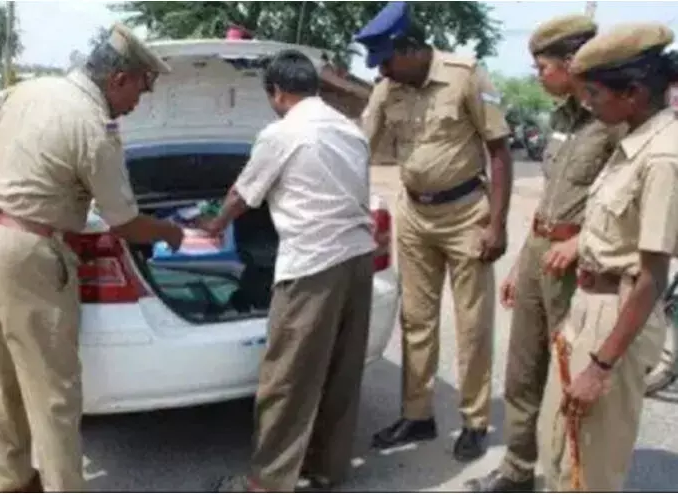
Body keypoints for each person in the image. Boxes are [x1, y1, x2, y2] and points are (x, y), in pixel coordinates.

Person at [0, 23, 184, 492]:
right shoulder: (94, 127)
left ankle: (14, 480)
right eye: (140, 90)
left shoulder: (25, 91)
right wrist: (171, 231)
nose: (138, 103)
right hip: (30, 256)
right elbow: (124, 224)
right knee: (54, 393)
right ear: (118, 78)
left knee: (2, 378)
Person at [466, 14, 623, 492]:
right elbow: (554, 193)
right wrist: (522, 261)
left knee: (567, 376)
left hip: (579, 261)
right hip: (540, 251)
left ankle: (563, 478)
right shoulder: (559, 119)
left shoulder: (612, 121)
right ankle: (517, 469)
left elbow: (624, 198)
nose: (539, 76)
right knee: (522, 370)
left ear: (572, 63)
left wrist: (579, 241)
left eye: (543, 67)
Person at [209, 49, 377, 492]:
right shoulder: (350, 131)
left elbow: (242, 195)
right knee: (341, 373)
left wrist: (214, 225)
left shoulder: (282, 133)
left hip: (313, 266)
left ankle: (266, 483)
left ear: (278, 92)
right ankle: (326, 471)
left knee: (286, 379)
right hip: (359, 261)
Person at [356, 1, 513, 461]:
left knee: (471, 324)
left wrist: (498, 224)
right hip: (415, 216)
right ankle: (418, 415)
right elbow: (359, 146)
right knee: (416, 321)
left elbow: (499, 152)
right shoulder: (389, 87)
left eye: (387, 59)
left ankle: (475, 420)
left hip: (467, 214)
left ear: (410, 47)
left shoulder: (466, 75)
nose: (382, 70)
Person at [536, 22, 678, 491]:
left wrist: (601, 367)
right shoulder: (630, 143)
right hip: (589, 303)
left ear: (633, 92)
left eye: (594, 93)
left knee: (591, 469)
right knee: (560, 448)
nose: (588, 104)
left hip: (618, 315)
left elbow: (652, 275)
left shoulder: (662, 157)